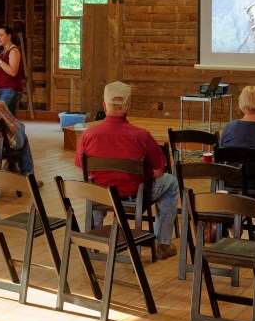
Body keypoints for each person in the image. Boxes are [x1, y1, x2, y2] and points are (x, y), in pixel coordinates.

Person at [74, 81, 179, 257]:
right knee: (172, 182)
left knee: (94, 183)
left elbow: (82, 167)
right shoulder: (142, 135)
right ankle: (162, 244)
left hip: (102, 195)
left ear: (104, 106)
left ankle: (96, 238)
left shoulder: (88, 135)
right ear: (128, 107)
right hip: (133, 195)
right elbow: (159, 172)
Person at [0, 25, 24, 115]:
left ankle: (19, 129)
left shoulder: (14, 51)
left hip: (10, 88)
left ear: (9, 36)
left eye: (1, 35)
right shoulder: (3, 51)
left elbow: (13, 72)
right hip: (1, 88)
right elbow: (4, 69)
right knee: (8, 119)